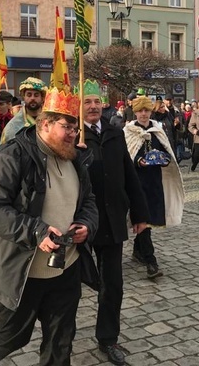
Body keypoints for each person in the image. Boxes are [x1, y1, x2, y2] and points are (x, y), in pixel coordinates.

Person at [0, 87, 98, 366]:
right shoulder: (12, 155)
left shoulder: (75, 157)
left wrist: (86, 223)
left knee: (61, 342)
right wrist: (36, 231)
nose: (74, 133)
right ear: (45, 124)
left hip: (65, 267)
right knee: (11, 337)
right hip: (22, 270)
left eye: (75, 126)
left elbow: (88, 201)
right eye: (67, 127)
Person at [80, 80, 149, 366]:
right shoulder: (71, 134)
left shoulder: (113, 132)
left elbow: (128, 174)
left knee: (113, 284)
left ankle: (107, 337)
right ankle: (59, 336)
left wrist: (140, 214)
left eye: (97, 101)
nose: (93, 106)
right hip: (79, 223)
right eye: (87, 102)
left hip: (111, 219)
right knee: (73, 282)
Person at [123, 96, 185, 279]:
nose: (143, 114)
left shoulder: (158, 130)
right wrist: (138, 161)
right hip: (136, 182)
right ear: (135, 112)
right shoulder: (128, 132)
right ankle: (151, 262)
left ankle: (138, 250)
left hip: (154, 182)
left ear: (151, 111)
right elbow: (126, 156)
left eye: (146, 110)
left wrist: (165, 159)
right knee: (142, 220)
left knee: (147, 220)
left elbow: (168, 150)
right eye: (140, 111)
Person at [1, 77, 47, 143]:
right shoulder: (13, 126)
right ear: (23, 97)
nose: (32, 98)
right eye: (29, 95)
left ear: (42, 98)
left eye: (36, 95)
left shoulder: (50, 121)